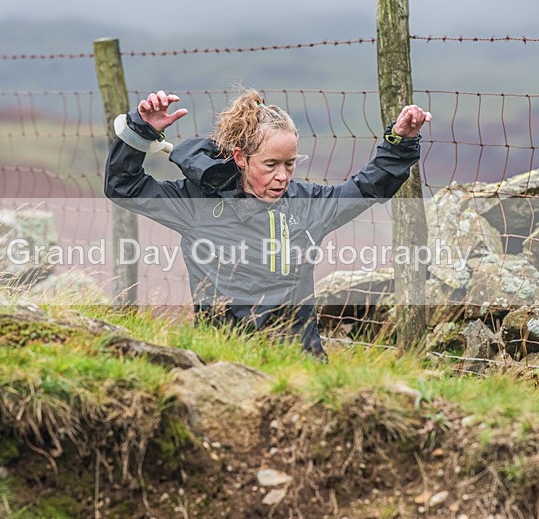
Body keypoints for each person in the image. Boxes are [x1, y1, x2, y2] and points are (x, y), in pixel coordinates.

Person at [105, 89, 430, 360]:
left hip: (301, 364)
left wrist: (398, 144)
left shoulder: (307, 206)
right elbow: (124, 187)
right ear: (241, 158)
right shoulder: (197, 205)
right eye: (271, 164)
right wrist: (140, 130)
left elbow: (366, 188)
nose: (282, 176)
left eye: (290, 164)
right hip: (223, 361)